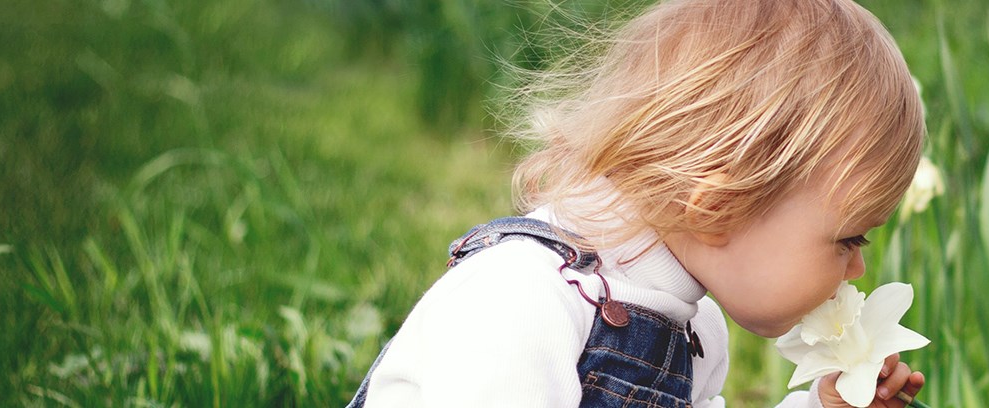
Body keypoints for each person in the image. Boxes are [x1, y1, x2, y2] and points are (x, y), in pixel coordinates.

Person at [347, 0, 927, 406]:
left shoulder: (696, 328)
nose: (858, 269)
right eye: (849, 239)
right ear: (718, 207)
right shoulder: (522, 300)